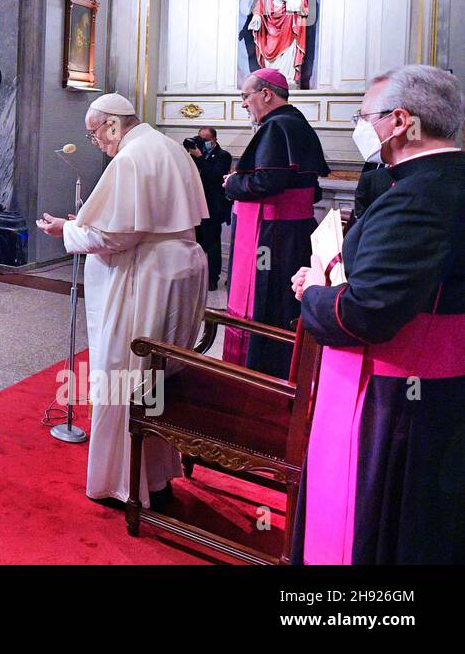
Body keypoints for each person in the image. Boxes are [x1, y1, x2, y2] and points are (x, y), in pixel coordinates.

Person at [291, 65, 465, 564]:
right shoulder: (440, 179)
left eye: (365, 116)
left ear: (401, 121)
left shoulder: (419, 196)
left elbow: (368, 312)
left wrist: (314, 295)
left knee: (377, 528)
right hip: (431, 389)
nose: (360, 126)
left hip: (397, 396)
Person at [37, 93, 207, 508]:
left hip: (143, 281)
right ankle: (156, 475)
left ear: (113, 124)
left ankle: (123, 481)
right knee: (156, 377)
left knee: (125, 373)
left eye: (94, 132)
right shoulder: (167, 146)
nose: (95, 141)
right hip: (175, 274)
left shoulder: (130, 159)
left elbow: (115, 235)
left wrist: (68, 230)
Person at [224, 68, 329, 377]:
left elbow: (269, 180)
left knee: (267, 303)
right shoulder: (297, 124)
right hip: (293, 233)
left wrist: (232, 184)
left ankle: (260, 373)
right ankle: (285, 370)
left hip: (271, 235)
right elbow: (311, 187)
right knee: (284, 303)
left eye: (246, 96)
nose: (244, 104)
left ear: (266, 94)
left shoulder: (276, 127)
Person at [187, 126, 232, 290]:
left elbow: (215, 176)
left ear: (215, 140)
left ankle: (213, 278)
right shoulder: (193, 156)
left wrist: (201, 159)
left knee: (212, 244)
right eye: (200, 139)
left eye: (206, 140)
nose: (203, 143)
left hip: (213, 208)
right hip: (196, 206)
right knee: (195, 243)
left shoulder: (223, 156)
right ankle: (195, 275)